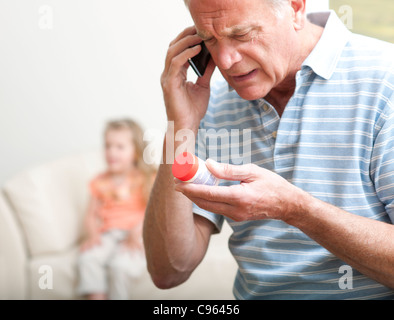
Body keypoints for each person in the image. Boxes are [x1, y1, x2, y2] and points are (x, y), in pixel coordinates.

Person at [143, 0, 394, 299]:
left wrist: (297, 210)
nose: (225, 60)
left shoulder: (384, 80)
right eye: (209, 39)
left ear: (296, 8)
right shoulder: (210, 103)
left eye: (242, 34)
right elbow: (168, 271)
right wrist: (179, 127)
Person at [77, 118, 156, 300]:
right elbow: (90, 216)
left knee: (120, 266)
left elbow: (153, 212)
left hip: (137, 235)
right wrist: (93, 235)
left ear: (136, 152)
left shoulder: (147, 178)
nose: (111, 152)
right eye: (108, 146)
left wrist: (138, 231)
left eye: (119, 147)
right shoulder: (99, 182)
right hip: (109, 234)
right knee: (88, 258)